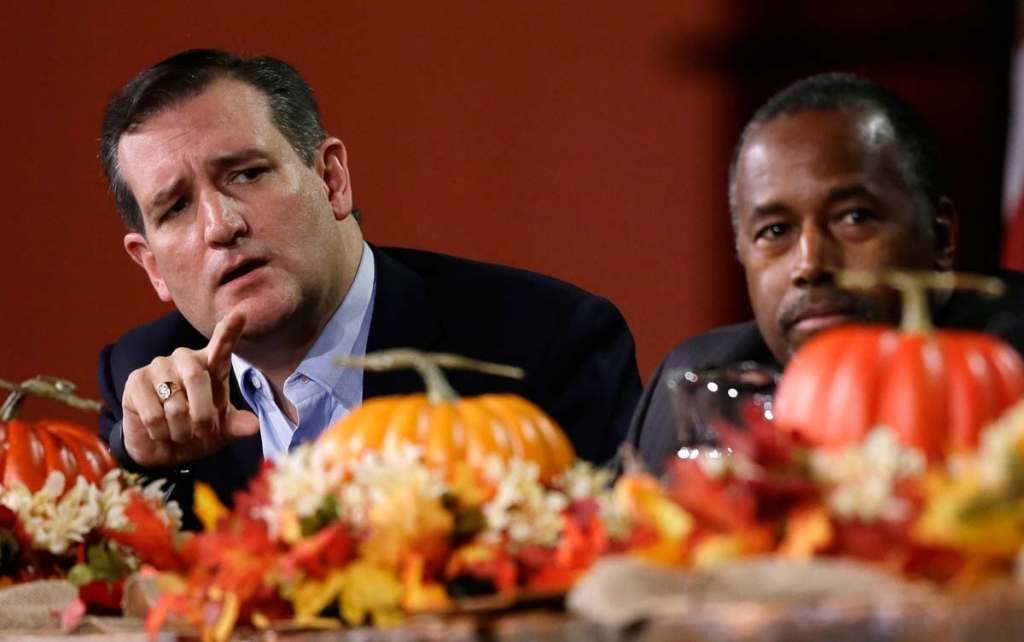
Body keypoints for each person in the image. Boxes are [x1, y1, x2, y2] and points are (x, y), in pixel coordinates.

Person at [96, 49, 642, 529]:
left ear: (332, 180)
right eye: (176, 207)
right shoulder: (141, 377)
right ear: (153, 268)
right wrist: (145, 459)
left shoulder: (547, 343)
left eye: (247, 174)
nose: (220, 226)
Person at [627, 72, 1024, 473]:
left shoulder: (1008, 367)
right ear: (742, 253)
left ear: (941, 237)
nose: (811, 264)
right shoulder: (694, 384)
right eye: (776, 231)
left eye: (853, 218)